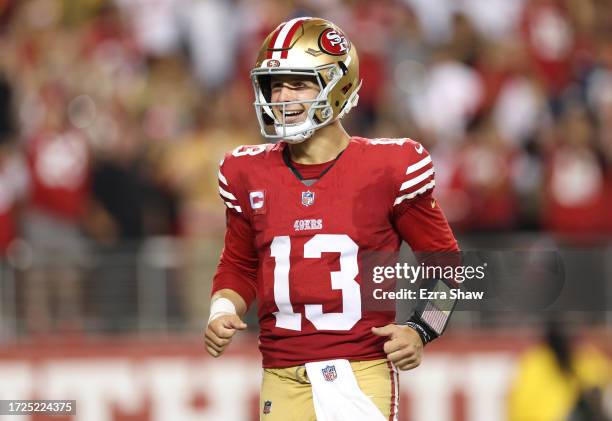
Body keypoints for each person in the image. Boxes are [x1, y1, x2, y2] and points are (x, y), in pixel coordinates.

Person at [204, 17, 459, 420]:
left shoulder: (389, 167)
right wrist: (222, 310)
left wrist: (422, 329)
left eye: (299, 83)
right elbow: (239, 264)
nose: (283, 96)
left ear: (337, 86)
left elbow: (447, 267)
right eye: (276, 84)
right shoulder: (245, 171)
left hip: (360, 370)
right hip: (281, 373)